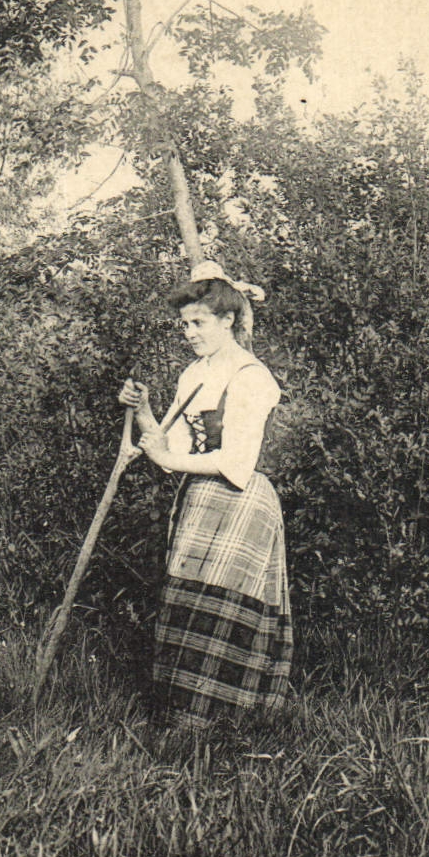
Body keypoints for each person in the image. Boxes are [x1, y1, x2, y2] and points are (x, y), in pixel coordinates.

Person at [119, 260, 293, 729]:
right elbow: (169, 446)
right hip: (198, 501)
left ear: (227, 321)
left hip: (241, 504)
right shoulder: (193, 375)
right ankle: (183, 722)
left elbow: (236, 463)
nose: (189, 333)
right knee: (189, 604)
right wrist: (144, 411)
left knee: (226, 609)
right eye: (184, 325)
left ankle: (229, 724)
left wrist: (167, 461)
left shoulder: (250, 377)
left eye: (198, 323)